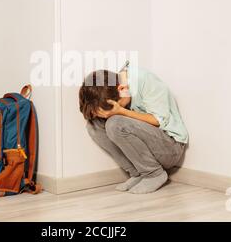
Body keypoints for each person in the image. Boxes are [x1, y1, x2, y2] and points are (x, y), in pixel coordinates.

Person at [79, 64, 188, 194]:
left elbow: (158, 121)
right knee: (94, 125)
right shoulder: (113, 84)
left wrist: (121, 111)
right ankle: (137, 173)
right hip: (147, 151)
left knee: (115, 122)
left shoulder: (146, 80)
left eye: (115, 108)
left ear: (122, 88)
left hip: (171, 148)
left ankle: (153, 174)